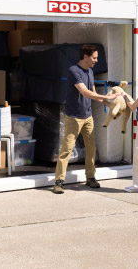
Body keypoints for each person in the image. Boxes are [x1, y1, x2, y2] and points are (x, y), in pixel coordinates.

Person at [53, 44, 118, 194]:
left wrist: (108, 103)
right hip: (74, 117)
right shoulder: (74, 71)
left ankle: (90, 177)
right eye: (94, 57)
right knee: (67, 149)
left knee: (91, 148)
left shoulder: (90, 71)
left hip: (88, 116)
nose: (96, 60)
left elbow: (93, 93)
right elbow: (85, 92)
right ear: (85, 57)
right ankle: (58, 181)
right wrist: (106, 96)